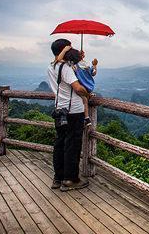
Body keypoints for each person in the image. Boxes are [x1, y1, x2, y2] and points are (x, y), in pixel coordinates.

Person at [48, 38, 90, 191]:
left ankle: (58, 178)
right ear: (64, 50)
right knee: (72, 144)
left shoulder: (51, 67)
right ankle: (71, 179)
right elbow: (78, 88)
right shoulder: (65, 68)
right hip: (74, 111)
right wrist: (88, 94)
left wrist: (79, 57)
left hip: (60, 110)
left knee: (60, 143)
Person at [54, 46, 98, 126]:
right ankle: (87, 118)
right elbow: (59, 60)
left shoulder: (85, 64)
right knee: (85, 100)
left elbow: (93, 73)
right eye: (80, 53)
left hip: (86, 88)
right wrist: (64, 50)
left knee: (85, 100)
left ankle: (86, 118)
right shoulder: (74, 65)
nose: (83, 53)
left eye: (83, 53)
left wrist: (94, 65)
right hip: (82, 87)